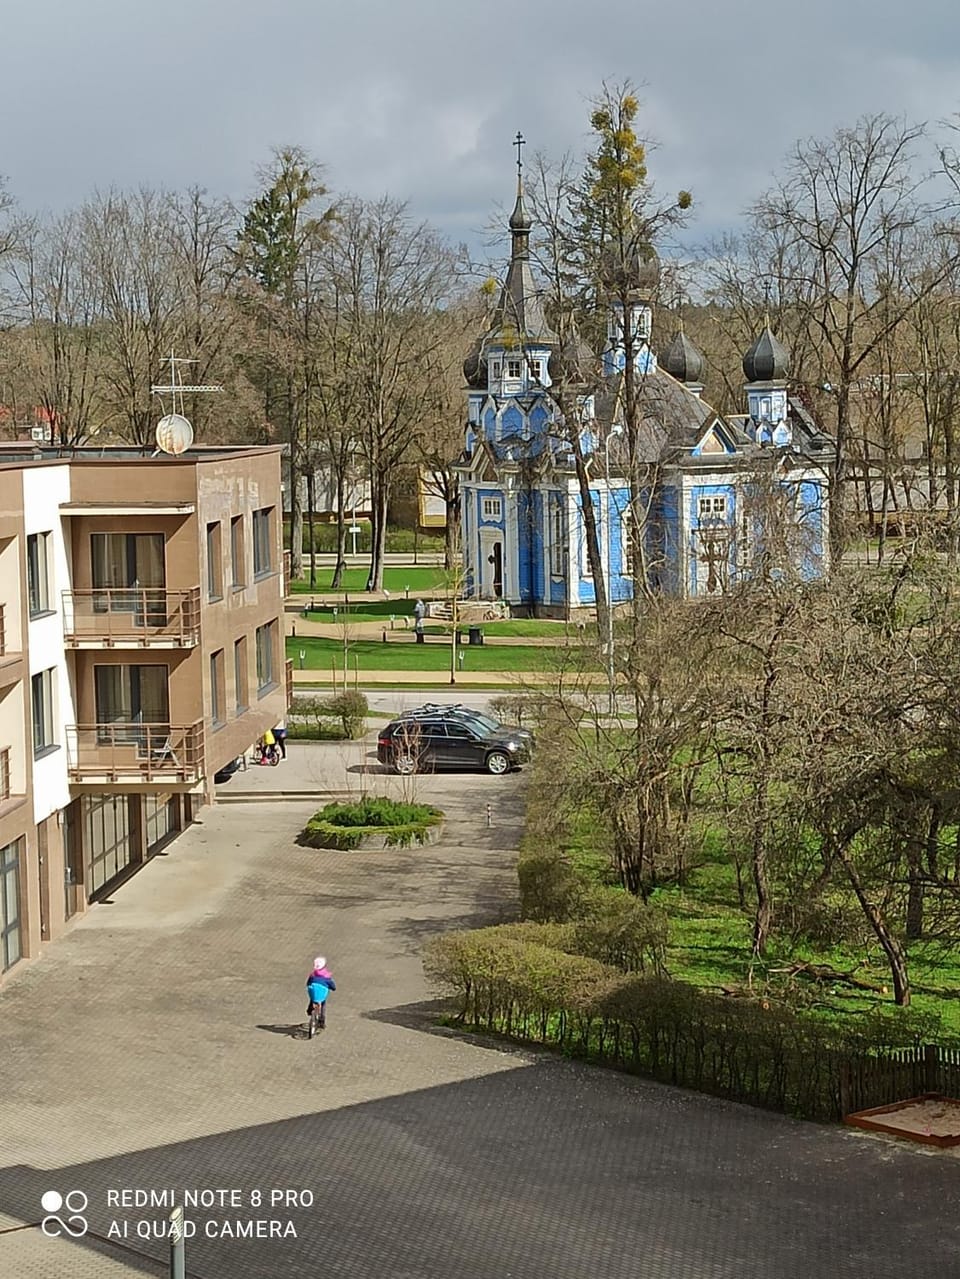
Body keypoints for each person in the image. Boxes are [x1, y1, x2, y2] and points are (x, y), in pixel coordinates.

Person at [306, 956, 336, 1029]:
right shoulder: (326, 977)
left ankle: (310, 1010)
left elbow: (308, 983)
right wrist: (333, 988)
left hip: (313, 992)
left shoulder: (312, 975)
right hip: (322, 994)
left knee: (313, 998)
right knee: (323, 1003)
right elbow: (332, 985)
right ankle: (322, 1021)